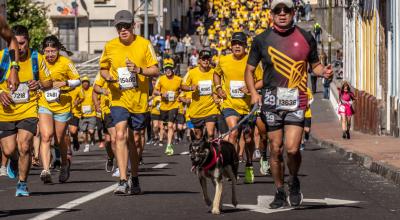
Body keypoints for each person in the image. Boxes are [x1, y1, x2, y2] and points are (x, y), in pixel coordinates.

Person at [245, 0, 333, 209]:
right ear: (271, 14)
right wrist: (253, 94)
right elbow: (249, 71)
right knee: (276, 149)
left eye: (286, 10)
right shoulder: (261, 39)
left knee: (292, 149)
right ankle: (279, 191)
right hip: (271, 102)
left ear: (294, 13)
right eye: (278, 10)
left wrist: (324, 72)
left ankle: (293, 180)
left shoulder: (306, 37)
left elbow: (315, 65)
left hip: (297, 100)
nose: (282, 14)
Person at [99, 10, 159, 195]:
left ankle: (135, 177)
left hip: (139, 101)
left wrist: (139, 70)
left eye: (126, 26)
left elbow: (155, 70)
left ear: (133, 26)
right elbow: (103, 69)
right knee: (120, 135)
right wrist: (108, 78)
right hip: (118, 98)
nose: (123, 30)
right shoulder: (110, 46)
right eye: (119, 26)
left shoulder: (144, 44)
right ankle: (122, 180)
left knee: (133, 140)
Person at [0, 25, 52, 196]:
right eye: (16, 43)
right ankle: (13, 160)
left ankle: (22, 183)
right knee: (9, 150)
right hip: (5, 111)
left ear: (28, 41)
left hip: (28, 109)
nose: (20, 47)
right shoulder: (3, 58)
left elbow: (49, 82)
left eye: (23, 43)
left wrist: (39, 84)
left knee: (24, 145)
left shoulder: (37, 58)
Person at [213, 32, 262, 184]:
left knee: (248, 138)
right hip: (229, 104)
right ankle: (231, 167)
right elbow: (216, 74)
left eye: (240, 44)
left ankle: (248, 164)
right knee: (233, 133)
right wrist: (219, 87)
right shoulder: (224, 60)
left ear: (245, 46)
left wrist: (251, 88)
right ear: (231, 45)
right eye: (234, 43)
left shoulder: (252, 61)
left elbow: (262, 80)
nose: (237, 46)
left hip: (247, 107)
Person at [38, 35, 81, 184]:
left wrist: (64, 83)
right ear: (43, 51)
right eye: (47, 51)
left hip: (62, 105)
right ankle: (46, 170)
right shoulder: (39, 61)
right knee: (45, 136)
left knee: (59, 139)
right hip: (45, 103)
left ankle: (64, 164)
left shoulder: (65, 62)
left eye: (53, 51)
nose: (50, 54)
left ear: (58, 50)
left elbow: (78, 80)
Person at [181, 49, 219, 141]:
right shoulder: (192, 72)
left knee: (210, 134)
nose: (206, 61)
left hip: (211, 109)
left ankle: (211, 154)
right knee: (198, 136)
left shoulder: (214, 72)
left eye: (208, 59)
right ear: (199, 60)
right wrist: (190, 88)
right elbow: (182, 86)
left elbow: (218, 87)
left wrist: (217, 97)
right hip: (196, 110)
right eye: (203, 59)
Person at [154, 63, 182, 156]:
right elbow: (154, 91)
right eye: (166, 69)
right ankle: (166, 138)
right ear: (164, 70)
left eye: (170, 68)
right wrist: (162, 94)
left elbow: (183, 90)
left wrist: (181, 97)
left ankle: (169, 145)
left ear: (173, 69)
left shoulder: (178, 79)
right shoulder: (161, 79)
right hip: (163, 106)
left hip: (174, 105)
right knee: (164, 127)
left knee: (170, 126)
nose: (168, 70)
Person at [93, 72, 116, 173]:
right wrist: (97, 105)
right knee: (108, 140)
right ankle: (111, 158)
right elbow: (94, 90)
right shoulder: (102, 73)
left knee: (118, 138)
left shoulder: (123, 70)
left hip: (122, 108)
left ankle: (121, 165)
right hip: (107, 111)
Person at [79, 76, 97, 152]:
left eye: (86, 82)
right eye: (83, 82)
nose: (85, 83)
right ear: (82, 83)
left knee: (91, 131)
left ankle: (92, 138)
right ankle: (87, 145)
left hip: (92, 114)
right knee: (83, 132)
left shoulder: (92, 90)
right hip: (82, 115)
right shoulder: (79, 90)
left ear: (89, 83)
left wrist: (96, 105)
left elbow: (98, 99)